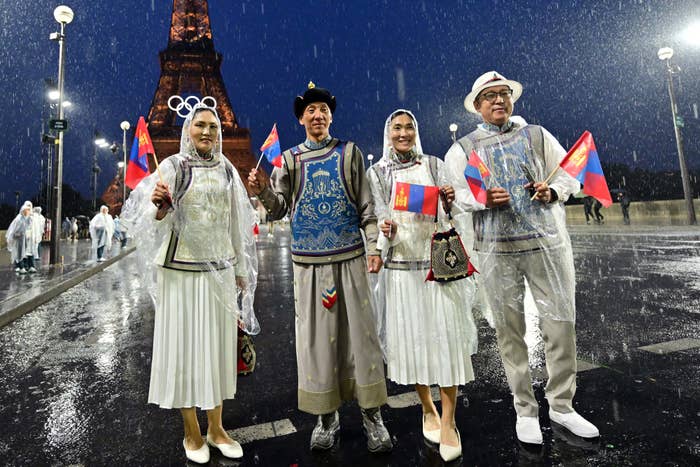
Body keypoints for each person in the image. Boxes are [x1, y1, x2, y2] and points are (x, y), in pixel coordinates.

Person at [445, 71, 599, 445]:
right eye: (490, 96)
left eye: (504, 94)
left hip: (545, 245)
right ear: (477, 106)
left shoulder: (537, 135)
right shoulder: (464, 149)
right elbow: (455, 198)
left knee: (560, 325)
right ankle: (524, 409)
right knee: (509, 333)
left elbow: (570, 175)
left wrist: (552, 191)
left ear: (511, 100)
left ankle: (562, 405)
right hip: (497, 252)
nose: (498, 101)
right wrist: (481, 199)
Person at [247, 82, 392, 453]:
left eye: (323, 110)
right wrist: (262, 190)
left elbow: (368, 207)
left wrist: (374, 246)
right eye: (310, 110)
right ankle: (326, 416)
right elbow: (278, 208)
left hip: (351, 258)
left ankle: (372, 414)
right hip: (308, 265)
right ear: (300, 119)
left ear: (331, 116)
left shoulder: (350, 153)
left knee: (362, 337)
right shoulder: (290, 159)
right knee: (316, 340)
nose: (317, 115)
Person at [121, 98, 258, 463]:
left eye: (213, 126)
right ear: (187, 130)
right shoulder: (174, 166)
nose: (207, 131)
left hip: (221, 270)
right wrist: (159, 206)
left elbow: (237, 225)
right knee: (184, 348)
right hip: (180, 272)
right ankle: (191, 432)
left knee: (216, 349)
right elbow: (149, 219)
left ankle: (216, 427)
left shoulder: (228, 170)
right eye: (200, 125)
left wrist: (241, 270)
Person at [367, 109, 478, 462]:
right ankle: (427, 408)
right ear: (388, 133)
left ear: (416, 131)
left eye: (409, 127)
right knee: (414, 346)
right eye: (396, 127)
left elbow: (457, 212)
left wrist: (446, 202)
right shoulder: (378, 173)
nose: (403, 133)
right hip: (401, 272)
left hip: (437, 269)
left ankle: (448, 422)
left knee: (446, 344)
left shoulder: (434, 164)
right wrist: (386, 232)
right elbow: (380, 217)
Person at [6, 201, 34, 274]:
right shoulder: (19, 218)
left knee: (24, 253)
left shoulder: (26, 218)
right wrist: (18, 234)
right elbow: (14, 230)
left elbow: (29, 226)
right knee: (20, 253)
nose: (28, 211)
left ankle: (24, 266)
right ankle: (21, 267)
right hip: (19, 239)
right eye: (27, 210)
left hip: (25, 239)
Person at [31, 206, 46, 271]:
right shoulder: (42, 217)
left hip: (35, 233)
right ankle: (37, 256)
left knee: (35, 244)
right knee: (38, 244)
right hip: (39, 232)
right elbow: (43, 225)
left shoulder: (34, 216)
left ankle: (35, 256)